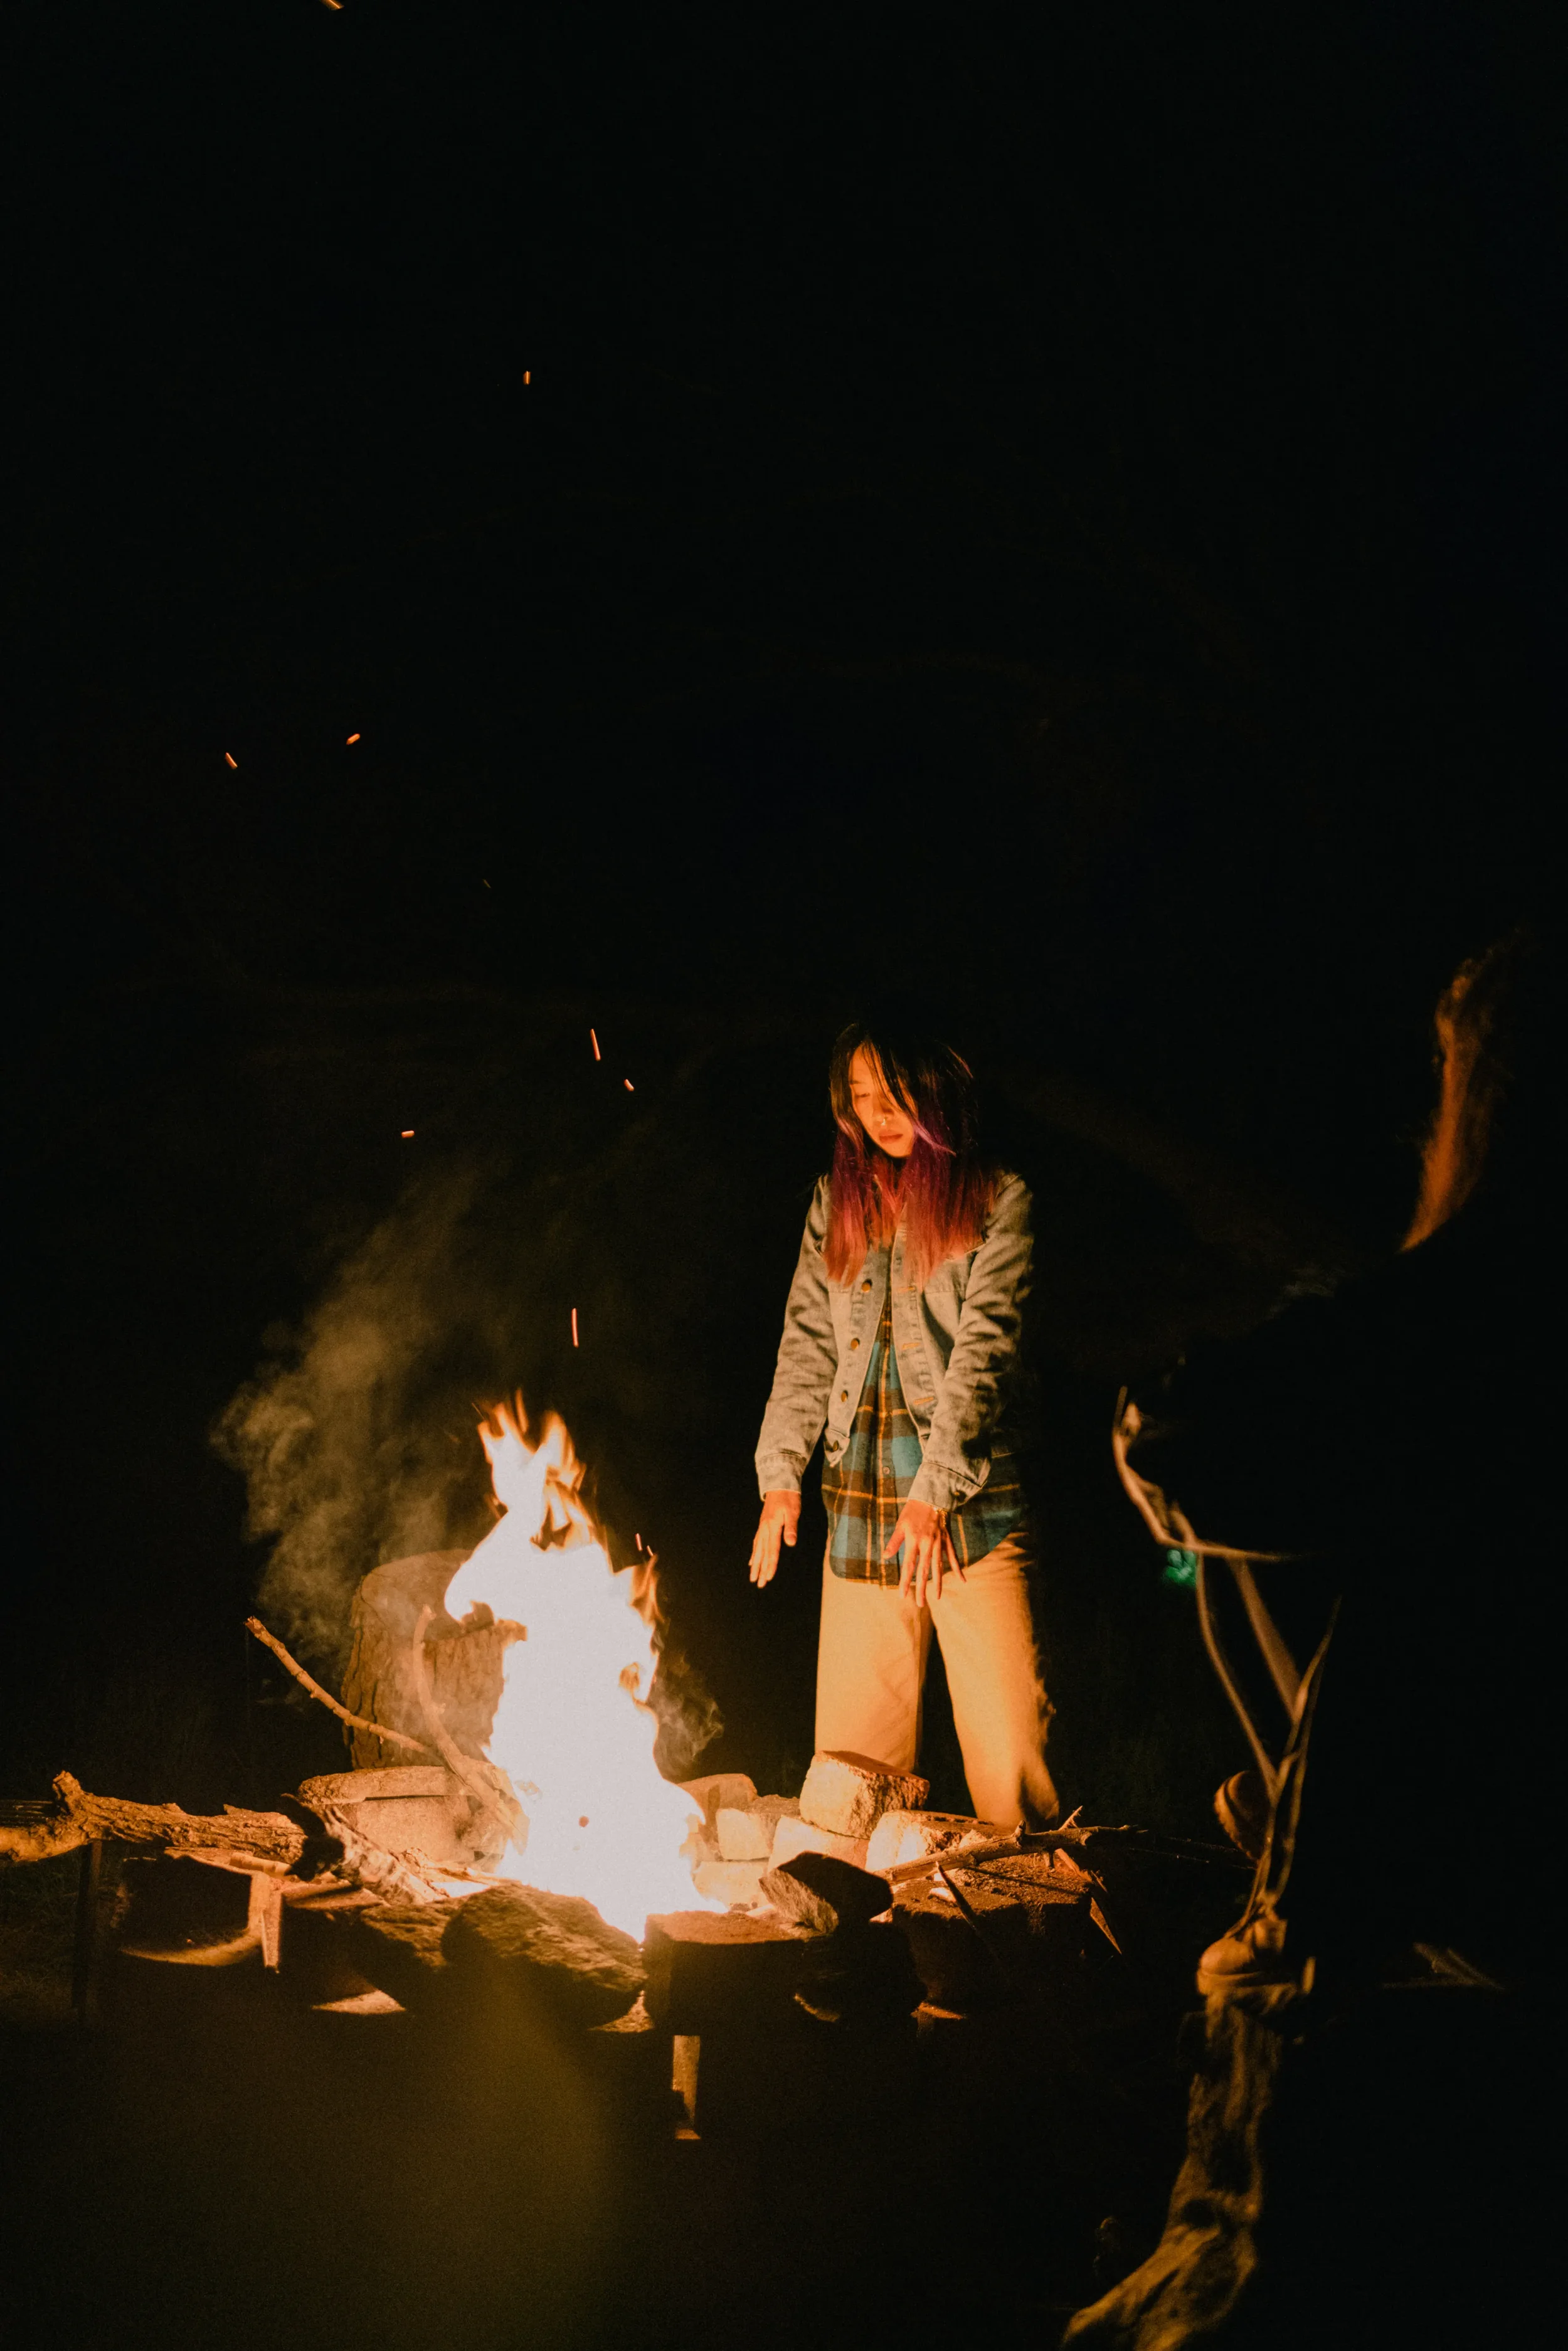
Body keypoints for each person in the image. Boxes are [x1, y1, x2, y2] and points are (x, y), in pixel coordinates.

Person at [749, 1011, 1058, 1829]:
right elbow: (807, 1343)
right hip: (860, 1514)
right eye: (860, 1096)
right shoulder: (836, 1203)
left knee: (1013, 1770)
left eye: (893, 1093)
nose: (879, 1114)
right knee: (855, 1785)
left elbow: (984, 1353)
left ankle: (1040, 1935)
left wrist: (935, 1491)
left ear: (933, 1089)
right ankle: (861, 1949)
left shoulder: (998, 1200)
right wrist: (780, 1478)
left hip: (970, 1515)